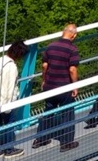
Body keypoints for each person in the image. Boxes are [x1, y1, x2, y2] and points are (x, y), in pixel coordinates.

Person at [32, 24, 80, 152]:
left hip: (50, 85)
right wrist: (75, 86)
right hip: (64, 87)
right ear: (73, 35)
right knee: (67, 113)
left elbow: (44, 66)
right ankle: (66, 142)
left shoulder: (50, 46)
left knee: (48, 111)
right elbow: (72, 69)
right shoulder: (72, 49)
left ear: (63, 32)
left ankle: (40, 139)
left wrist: (44, 80)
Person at [0, 40, 28, 158]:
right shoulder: (12, 67)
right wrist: (8, 107)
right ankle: (9, 149)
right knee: (9, 124)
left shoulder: (0, 60)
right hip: (5, 103)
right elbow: (9, 89)